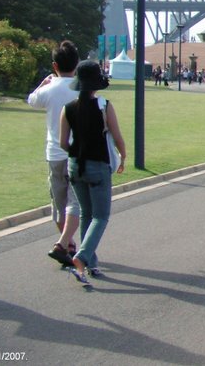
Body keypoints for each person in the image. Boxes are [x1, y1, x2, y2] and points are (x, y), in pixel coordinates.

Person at [59, 60, 126, 287]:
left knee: (87, 213)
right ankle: (82, 257)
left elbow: (63, 143)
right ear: (96, 84)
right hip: (98, 165)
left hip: (75, 165)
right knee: (101, 216)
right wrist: (123, 156)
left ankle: (91, 262)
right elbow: (116, 136)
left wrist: (77, 152)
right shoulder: (104, 106)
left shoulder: (67, 108)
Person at [27, 40, 81, 267]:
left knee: (59, 202)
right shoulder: (81, 88)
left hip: (55, 153)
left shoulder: (49, 90)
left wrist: (43, 82)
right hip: (78, 153)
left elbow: (31, 100)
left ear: (54, 65)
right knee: (75, 201)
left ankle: (65, 243)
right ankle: (65, 244)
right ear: (76, 65)